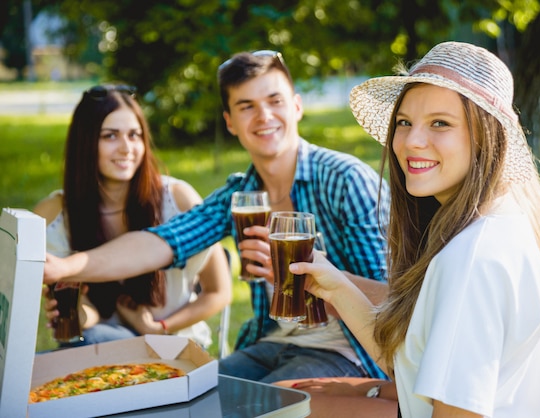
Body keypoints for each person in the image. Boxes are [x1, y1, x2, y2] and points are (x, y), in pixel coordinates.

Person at [42, 51, 391, 383]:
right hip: (273, 343)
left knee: (246, 406)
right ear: (230, 122)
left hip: (353, 352)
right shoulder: (241, 196)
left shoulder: (346, 181)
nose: (264, 116)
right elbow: (163, 241)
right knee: (186, 395)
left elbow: (393, 299)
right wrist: (66, 268)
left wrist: (317, 278)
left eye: (275, 101)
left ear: (296, 106)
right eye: (246, 106)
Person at [286, 41, 540, 417]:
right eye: (404, 122)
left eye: (441, 123)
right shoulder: (504, 220)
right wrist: (337, 287)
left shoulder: (471, 260)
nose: (411, 141)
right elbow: (416, 366)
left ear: (485, 138)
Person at [34, 84, 232, 350]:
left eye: (135, 135)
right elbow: (90, 316)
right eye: (110, 136)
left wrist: (159, 328)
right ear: (86, 141)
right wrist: (78, 315)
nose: (127, 148)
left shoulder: (178, 198)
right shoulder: (55, 213)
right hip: (102, 346)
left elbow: (219, 291)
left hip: (177, 349)